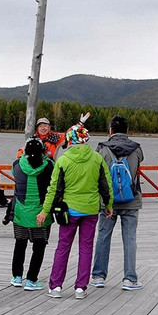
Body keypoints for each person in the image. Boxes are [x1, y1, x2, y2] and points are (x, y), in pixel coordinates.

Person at [36, 123, 112, 300]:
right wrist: (108, 205)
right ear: (86, 139)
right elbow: (105, 185)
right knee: (86, 248)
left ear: (69, 140)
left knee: (63, 247)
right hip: (91, 210)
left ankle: (55, 287)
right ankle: (80, 288)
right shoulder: (97, 158)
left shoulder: (63, 160)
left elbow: (54, 189)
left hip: (69, 211)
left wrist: (45, 211)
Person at [91, 115, 144, 291]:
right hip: (131, 200)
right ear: (127, 131)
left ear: (110, 130)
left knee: (103, 237)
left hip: (108, 202)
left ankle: (98, 276)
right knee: (130, 239)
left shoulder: (102, 149)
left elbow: (97, 175)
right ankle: (129, 279)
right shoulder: (136, 149)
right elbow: (136, 171)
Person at [9, 137, 54, 291]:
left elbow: (15, 167)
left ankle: (16, 277)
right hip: (41, 213)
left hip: (21, 212)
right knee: (39, 247)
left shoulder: (17, 165)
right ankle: (31, 280)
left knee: (20, 244)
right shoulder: (48, 166)